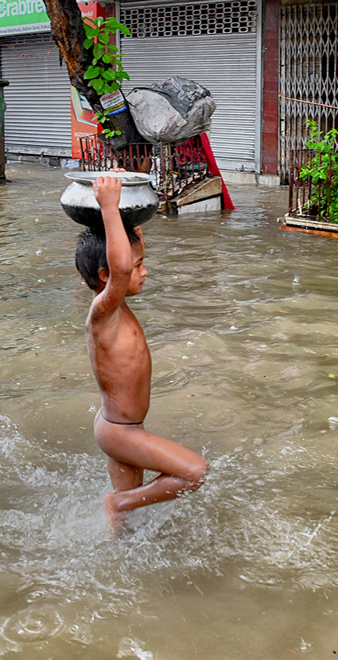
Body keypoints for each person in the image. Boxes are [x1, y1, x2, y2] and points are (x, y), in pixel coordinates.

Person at [74, 173, 207, 531]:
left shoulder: (114, 308)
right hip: (122, 431)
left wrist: (129, 218)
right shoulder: (103, 312)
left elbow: (123, 259)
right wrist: (108, 208)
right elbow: (120, 267)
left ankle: (117, 563)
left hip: (122, 426)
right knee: (195, 472)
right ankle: (117, 502)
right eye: (138, 267)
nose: (144, 272)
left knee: (126, 528)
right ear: (106, 275)